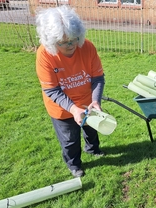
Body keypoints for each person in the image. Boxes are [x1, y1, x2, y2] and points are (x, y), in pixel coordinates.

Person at [35, 5, 106, 178]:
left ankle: (92, 149)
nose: (71, 45)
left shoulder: (87, 47)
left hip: (87, 101)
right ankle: (74, 164)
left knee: (91, 129)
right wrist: (73, 109)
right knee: (69, 140)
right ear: (51, 41)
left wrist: (95, 101)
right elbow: (52, 89)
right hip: (61, 107)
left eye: (74, 39)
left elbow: (97, 78)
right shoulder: (44, 55)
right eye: (63, 42)